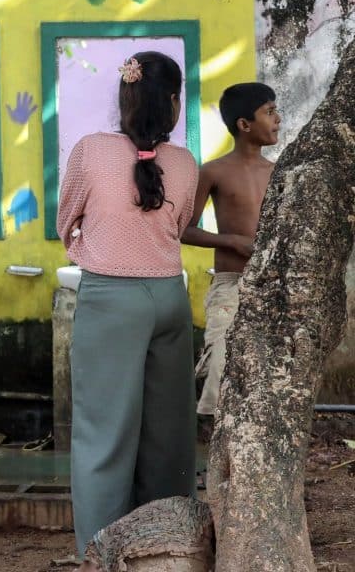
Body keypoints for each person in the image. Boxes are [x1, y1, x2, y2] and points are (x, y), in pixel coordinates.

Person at [56, 51, 199, 563]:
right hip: (170, 297)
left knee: (104, 432)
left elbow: (66, 220)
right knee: (170, 434)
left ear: (125, 96)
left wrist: (92, 249)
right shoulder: (184, 162)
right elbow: (179, 226)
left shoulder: (91, 151)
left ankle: (101, 552)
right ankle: (168, 549)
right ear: (175, 102)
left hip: (111, 299)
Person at [181, 83, 280, 416]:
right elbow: (183, 229)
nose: (277, 119)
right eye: (269, 112)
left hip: (271, 286)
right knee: (221, 366)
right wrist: (232, 241)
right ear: (244, 124)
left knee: (266, 371)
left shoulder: (278, 172)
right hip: (230, 283)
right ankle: (216, 439)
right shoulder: (213, 171)